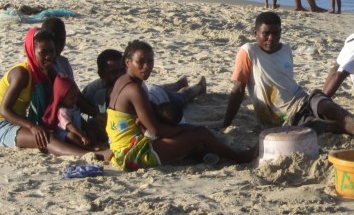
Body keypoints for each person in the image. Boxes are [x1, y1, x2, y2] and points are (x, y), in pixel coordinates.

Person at [223, 12, 354, 151]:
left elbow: (287, 83)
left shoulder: (286, 49)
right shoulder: (248, 52)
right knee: (335, 126)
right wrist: (226, 123)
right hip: (285, 117)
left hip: (302, 99)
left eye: (276, 33)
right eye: (266, 34)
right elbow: (238, 90)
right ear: (255, 32)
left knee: (335, 110)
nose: (271, 38)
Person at [107, 40, 256, 171]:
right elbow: (156, 130)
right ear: (127, 62)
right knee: (201, 133)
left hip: (119, 148)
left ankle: (205, 152)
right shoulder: (135, 89)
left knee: (190, 135)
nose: (147, 66)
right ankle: (240, 157)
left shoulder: (122, 81)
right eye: (141, 62)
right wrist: (186, 129)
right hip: (134, 154)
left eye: (150, 61)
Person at [0, 27, 105, 157]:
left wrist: (94, 116)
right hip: (2, 125)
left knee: (72, 133)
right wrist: (33, 127)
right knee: (46, 138)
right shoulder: (21, 74)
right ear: (32, 51)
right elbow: (4, 111)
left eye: (51, 51)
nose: (49, 57)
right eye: (43, 52)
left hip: (21, 121)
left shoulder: (47, 71)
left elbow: (68, 96)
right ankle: (91, 155)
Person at [42, 75, 91, 148]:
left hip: (77, 131)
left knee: (91, 130)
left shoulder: (73, 106)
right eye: (71, 98)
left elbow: (79, 118)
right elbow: (70, 127)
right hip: (65, 134)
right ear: (61, 99)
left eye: (75, 96)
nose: (75, 99)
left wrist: (88, 128)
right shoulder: (62, 111)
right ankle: (88, 148)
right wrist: (81, 135)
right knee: (72, 136)